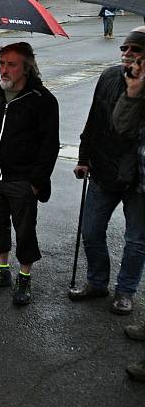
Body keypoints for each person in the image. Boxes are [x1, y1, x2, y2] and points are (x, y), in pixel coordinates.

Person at [0, 42, 60, 306]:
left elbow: (49, 146)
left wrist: (36, 184)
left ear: (26, 68)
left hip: (23, 180)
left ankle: (24, 277)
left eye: (11, 64)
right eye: (2, 63)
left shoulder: (42, 100)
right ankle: (1, 270)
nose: (4, 69)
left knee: (25, 231)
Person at [69, 28, 145, 314]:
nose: (127, 55)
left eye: (135, 50)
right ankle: (97, 282)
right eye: (124, 49)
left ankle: (125, 291)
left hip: (138, 176)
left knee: (136, 240)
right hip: (104, 168)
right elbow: (95, 118)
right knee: (91, 231)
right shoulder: (109, 76)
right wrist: (84, 156)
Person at [111, 55, 145, 381]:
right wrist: (134, 92)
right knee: (137, 242)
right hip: (141, 184)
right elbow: (120, 126)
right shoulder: (138, 87)